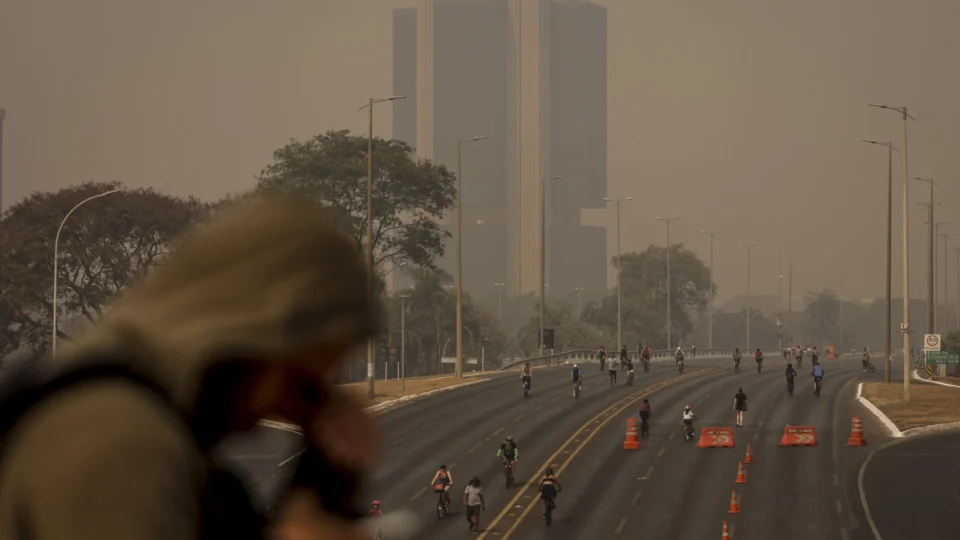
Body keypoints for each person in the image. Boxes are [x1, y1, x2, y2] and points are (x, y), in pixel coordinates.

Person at [0, 196, 383, 540]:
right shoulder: (123, 445)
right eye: (299, 385)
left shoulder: (149, 424)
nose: (288, 410)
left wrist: (322, 475)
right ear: (245, 341)